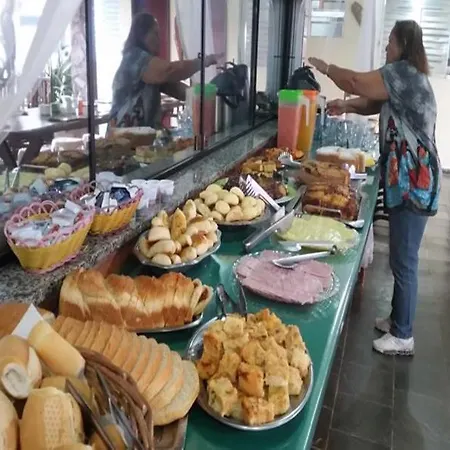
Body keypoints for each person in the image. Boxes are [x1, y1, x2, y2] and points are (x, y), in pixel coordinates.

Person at [308, 20, 441, 356]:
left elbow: (356, 81)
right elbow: (372, 102)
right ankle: (398, 319)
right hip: (406, 178)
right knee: (400, 255)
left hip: (414, 181)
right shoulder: (405, 78)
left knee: (404, 259)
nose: (386, 47)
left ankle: (403, 336)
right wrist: (346, 106)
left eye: (390, 42)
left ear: (403, 45)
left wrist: (326, 67)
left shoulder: (404, 73)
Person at [110, 12, 220, 128]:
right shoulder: (134, 57)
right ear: (142, 35)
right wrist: (203, 61)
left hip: (142, 134)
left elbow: (179, 90)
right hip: (123, 134)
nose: (159, 40)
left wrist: (211, 93)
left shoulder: (150, 70)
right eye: (155, 34)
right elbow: (169, 70)